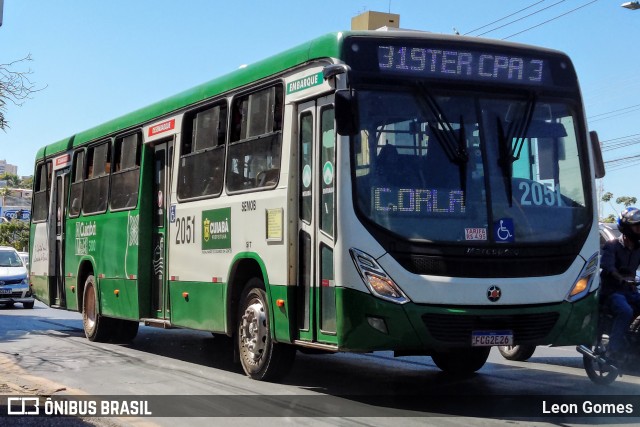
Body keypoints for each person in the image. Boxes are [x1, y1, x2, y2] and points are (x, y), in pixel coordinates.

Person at [599, 207, 640, 363]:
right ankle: (613, 349)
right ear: (627, 228)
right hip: (612, 292)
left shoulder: (638, 248)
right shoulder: (612, 246)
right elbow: (608, 266)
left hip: (630, 291)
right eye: (637, 226)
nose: (639, 230)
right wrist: (621, 278)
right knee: (625, 311)